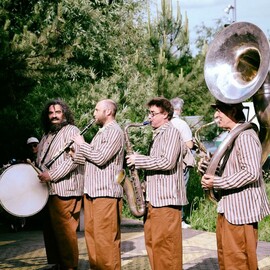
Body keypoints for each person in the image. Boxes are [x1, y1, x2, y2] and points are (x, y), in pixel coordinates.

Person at [201, 100, 270, 270]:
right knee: (228, 260)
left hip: (241, 212)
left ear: (232, 111)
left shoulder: (245, 136)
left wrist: (216, 182)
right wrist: (207, 167)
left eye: (219, 111)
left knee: (239, 262)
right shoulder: (233, 135)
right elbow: (233, 168)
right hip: (229, 209)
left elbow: (251, 172)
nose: (215, 116)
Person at [126, 97, 188, 270]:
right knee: (154, 245)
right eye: (150, 113)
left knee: (167, 249)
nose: (149, 117)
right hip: (154, 200)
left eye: (153, 113)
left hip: (166, 201)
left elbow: (167, 162)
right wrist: (144, 185)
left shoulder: (171, 132)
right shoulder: (159, 134)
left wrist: (139, 160)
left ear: (166, 114)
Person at [72, 99, 124, 269]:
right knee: (93, 238)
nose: (93, 113)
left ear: (108, 112)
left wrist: (82, 144)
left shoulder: (114, 131)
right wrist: (74, 153)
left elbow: (100, 158)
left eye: (96, 110)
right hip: (92, 192)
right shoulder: (101, 132)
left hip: (105, 193)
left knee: (105, 240)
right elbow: (91, 158)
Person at [36, 98, 84, 270]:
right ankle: (59, 264)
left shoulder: (72, 130)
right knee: (52, 232)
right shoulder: (47, 134)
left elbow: (76, 159)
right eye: (50, 113)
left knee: (65, 233)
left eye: (57, 112)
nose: (54, 116)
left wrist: (52, 174)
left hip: (65, 190)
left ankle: (70, 266)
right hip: (49, 190)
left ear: (64, 113)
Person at [170, 97, 194, 229]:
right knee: (181, 189)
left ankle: (172, 218)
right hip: (181, 162)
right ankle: (180, 219)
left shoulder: (166, 122)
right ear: (179, 109)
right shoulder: (182, 124)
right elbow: (189, 145)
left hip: (170, 162)